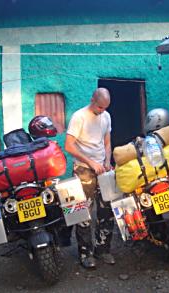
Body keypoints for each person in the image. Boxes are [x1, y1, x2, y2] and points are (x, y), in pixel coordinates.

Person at [64, 87, 115, 269]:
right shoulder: (79, 117)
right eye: (100, 107)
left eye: (105, 108)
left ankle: (103, 250)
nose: (102, 111)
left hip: (103, 169)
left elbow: (107, 142)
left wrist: (107, 161)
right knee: (83, 214)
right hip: (83, 170)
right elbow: (69, 146)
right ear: (93, 98)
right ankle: (86, 254)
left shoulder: (106, 116)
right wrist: (91, 162)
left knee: (106, 211)